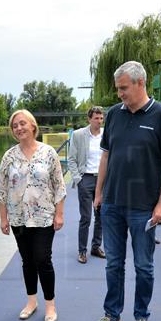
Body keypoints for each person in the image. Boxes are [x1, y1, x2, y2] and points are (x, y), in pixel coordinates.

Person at [87, 61, 161, 321]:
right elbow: (105, 156)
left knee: (143, 265)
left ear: (141, 83)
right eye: (118, 89)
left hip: (144, 207)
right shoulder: (114, 115)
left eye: (124, 88)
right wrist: (99, 192)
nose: (120, 94)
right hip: (113, 203)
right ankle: (112, 315)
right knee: (113, 263)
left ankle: (141, 317)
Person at [0, 109, 66, 321]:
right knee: (27, 260)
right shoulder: (9, 156)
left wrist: (60, 214)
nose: (19, 128)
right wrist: (3, 218)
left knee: (42, 259)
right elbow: (2, 190)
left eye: (22, 124)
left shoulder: (48, 153)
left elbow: (59, 186)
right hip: (18, 217)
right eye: (15, 125)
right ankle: (31, 302)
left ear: (33, 126)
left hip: (44, 216)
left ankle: (50, 305)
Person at [67, 107, 106, 264]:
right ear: (89, 119)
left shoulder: (106, 134)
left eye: (101, 118)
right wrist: (78, 180)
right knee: (86, 218)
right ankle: (82, 251)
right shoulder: (78, 135)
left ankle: (96, 247)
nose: (99, 121)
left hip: (102, 180)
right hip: (86, 179)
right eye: (96, 118)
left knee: (101, 216)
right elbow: (71, 159)